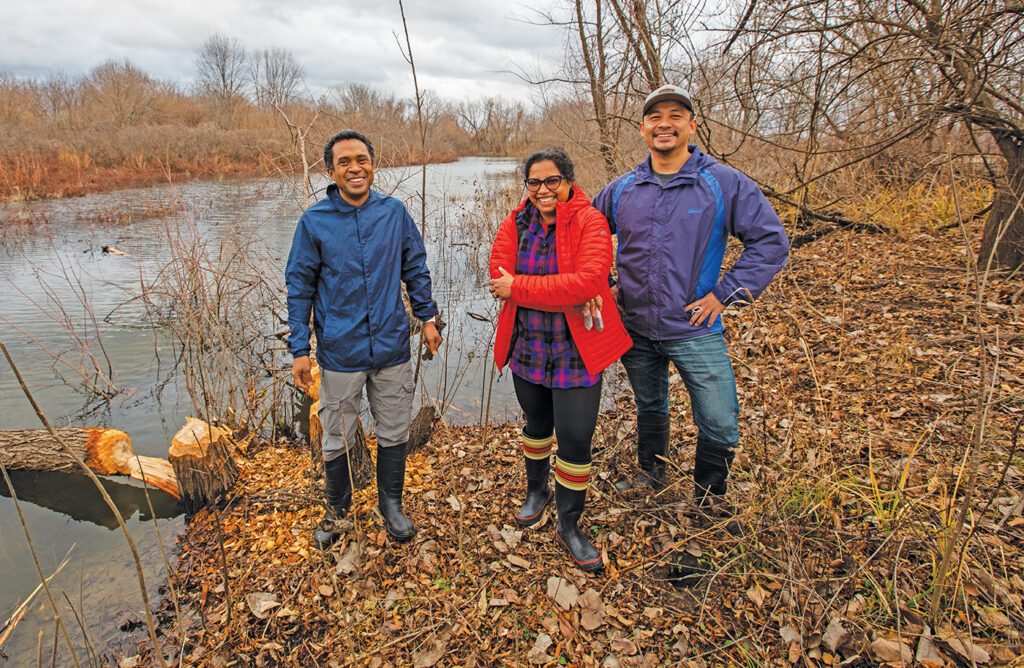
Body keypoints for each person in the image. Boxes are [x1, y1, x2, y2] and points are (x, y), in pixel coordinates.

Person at [593, 85, 789, 523]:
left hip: (695, 329)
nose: (665, 123)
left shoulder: (722, 183)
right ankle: (652, 474)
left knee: (720, 421)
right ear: (643, 128)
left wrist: (724, 294)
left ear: (691, 126)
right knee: (650, 406)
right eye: (655, 116)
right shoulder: (623, 189)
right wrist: (602, 284)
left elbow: (770, 242)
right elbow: (586, 235)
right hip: (636, 328)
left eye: (675, 115)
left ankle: (708, 500)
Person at [286, 129, 442, 548]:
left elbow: (416, 266)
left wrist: (427, 317)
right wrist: (300, 348)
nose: (355, 168)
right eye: (345, 162)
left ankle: (391, 504)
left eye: (362, 160)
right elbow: (299, 285)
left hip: (392, 346)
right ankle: (337, 512)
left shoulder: (393, 213)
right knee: (336, 435)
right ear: (331, 170)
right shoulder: (314, 221)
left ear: (373, 164)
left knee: (393, 430)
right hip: (340, 352)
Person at [489, 148, 632, 572]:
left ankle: (569, 525)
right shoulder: (515, 222)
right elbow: (499, 277)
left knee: (574, 441)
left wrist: (523, 288)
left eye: (552, 180)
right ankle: (537, 491)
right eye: (534, 182)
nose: (543, 190)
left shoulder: (590, 221)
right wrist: (558, 291)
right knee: (535, 428)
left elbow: (588, 281)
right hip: (528, 346)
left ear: (568, 181)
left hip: (577, 351)